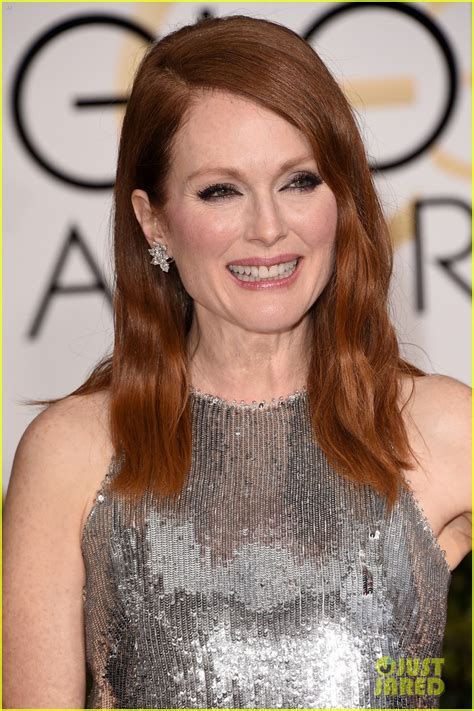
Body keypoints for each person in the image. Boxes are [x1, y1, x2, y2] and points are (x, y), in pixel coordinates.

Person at [3, 13, 471, 710]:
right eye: (220, 190)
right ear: (153, 219)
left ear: (342, 197)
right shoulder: (73, 452)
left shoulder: (441, 429)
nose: (268, 228)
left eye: (300, 180)